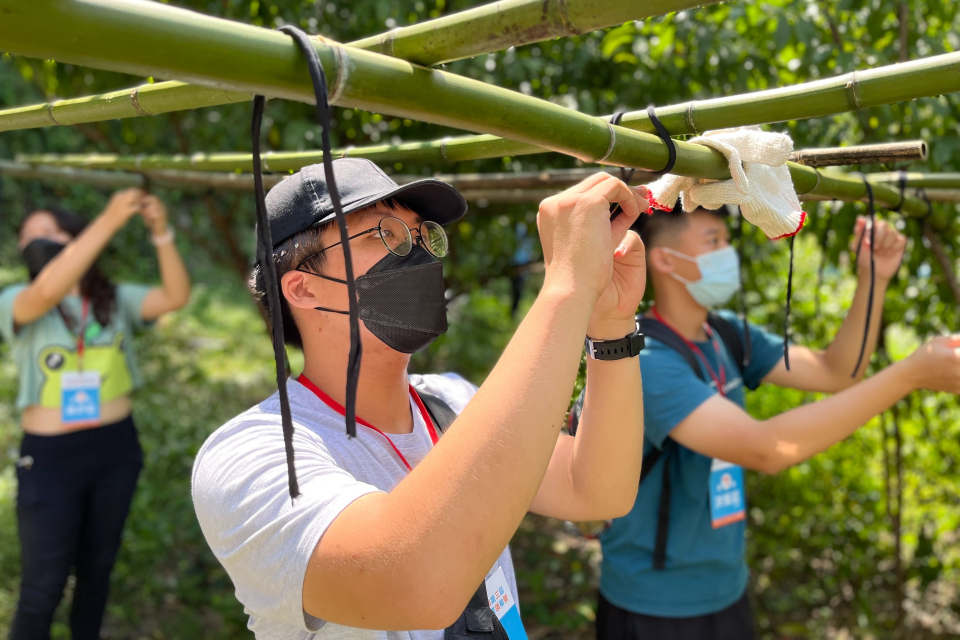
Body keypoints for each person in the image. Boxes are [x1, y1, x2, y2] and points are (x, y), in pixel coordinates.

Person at [191, 158, 650, 638]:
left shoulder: (451, 401)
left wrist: (611, 325)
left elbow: (597, 489)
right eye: (383, 236)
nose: (417, 254)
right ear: (302, 288)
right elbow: (412, 585)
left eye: (418, 234)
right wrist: (564, 288)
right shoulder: (252, 455)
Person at [589, 202, 960, 640]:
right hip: (653, 605)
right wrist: (909, 375)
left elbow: (836, 370)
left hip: (727, 590)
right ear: (665, 260)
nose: (728, 254)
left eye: (726, 242)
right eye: (713, 243)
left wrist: (872, 279)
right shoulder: (648, 360)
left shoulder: (724, 333)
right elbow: (766, 448)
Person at [0, 189, 191, 640]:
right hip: (49, 459)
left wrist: (160, 231)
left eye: (48, 232)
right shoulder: (16, 299)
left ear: (74, 238)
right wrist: (107, 221)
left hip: (115, 449)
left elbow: (175, 296)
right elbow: (47, 288)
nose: (36, 241)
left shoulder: (115, 299)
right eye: (28, 237)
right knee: (42, 588)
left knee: (97, 571)